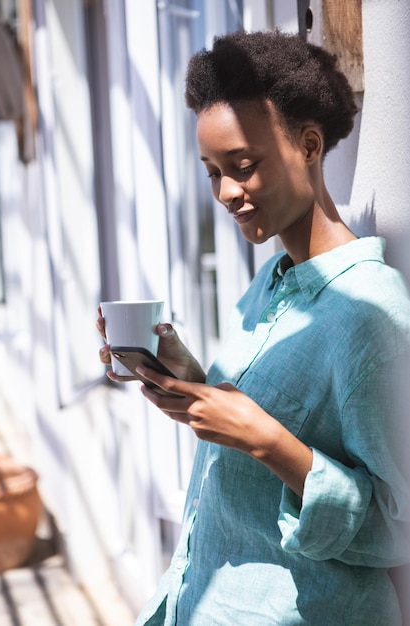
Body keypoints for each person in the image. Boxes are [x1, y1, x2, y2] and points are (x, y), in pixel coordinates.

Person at [97, 30, 410, 625]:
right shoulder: (269, 283)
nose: (227, 193)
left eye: (243, 167)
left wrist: (268, 441)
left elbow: (397, 529)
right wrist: (188, 380)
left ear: (311, 145)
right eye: (213, 172)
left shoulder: (373, 315)